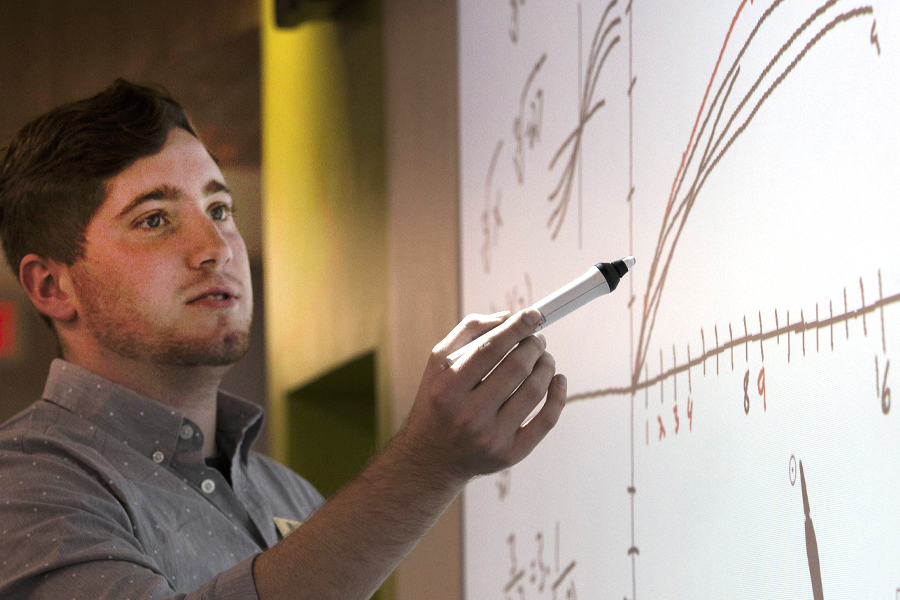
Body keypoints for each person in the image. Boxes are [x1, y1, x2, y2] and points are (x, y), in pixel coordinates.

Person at [0, 79, 567, 600]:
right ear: (52, 286)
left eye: (220, 209)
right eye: (155, 220)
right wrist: (425, 466)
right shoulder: (22, 483)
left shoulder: (289, 496)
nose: (216, 247)